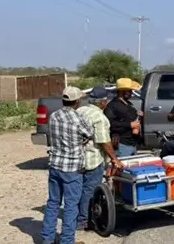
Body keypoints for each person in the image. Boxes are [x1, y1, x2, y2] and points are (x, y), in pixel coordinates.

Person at [42, 86, 94, 244]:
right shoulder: (78, 118)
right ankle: (67, 241)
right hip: (72, 168)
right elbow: (90, 133)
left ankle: (47, 239)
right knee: (71, 206)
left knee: (53, 203)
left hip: (55, 164)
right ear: (77, 101)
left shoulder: (54, 115)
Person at [76, 86, 123, 233]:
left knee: (79, 189)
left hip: (77, 158)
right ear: (103, 102)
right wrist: (114, 159)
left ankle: (77, 217)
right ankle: (84, 221)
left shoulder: (79, 111)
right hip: (93, 159)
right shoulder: (100, 117)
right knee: (89, 191)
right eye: (106, 100)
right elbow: (104, 141)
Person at [104, 78, 142, 157]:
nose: (131, 93)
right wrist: (129, 125)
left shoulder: (129, 104)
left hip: (132, 143)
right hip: (122, 144)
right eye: (129, 90)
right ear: (121, 91)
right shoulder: (112, 106)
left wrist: (138, 115)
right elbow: (109, 123)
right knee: (124, 167)